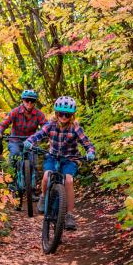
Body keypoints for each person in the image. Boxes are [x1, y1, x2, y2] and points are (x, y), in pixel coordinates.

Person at [23, 96, 96, 230]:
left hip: (70, 159)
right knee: (46, 176)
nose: (63, 117)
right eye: (61, 114)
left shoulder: (75, 128)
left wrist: (90, 152)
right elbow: (38, 134)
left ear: (72, 116)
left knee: (68, 180)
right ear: (56, 114)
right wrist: (30, 141)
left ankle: (69, 214)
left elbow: (87, 143)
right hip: (52, 157)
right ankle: (44, 196)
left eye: (67, 115)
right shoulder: (50, 125)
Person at [0, 90, 47, 193]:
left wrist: (45, 134)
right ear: (23, 100)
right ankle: (11, 182)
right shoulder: (15, 111)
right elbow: (3, 124)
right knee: (14, 155)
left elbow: (46, 125)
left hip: (31, 142)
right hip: (15, 140)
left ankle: (33, 189)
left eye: (32, 101)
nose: (29, 103)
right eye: (27, 100)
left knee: (33, 163)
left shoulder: (39, 114)